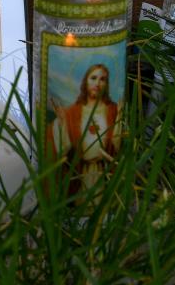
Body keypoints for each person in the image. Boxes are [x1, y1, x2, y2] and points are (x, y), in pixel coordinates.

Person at [48, 63, 122, 195]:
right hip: (80, 176)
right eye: (93, 78)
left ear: (107, 84)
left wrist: (119, 117)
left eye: (102, 79)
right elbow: (62, 147)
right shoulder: (73, 112)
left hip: (103, 175)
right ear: (85, 81)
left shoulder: (112, 110)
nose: (97, 83)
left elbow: (117, 146)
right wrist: (62, 123)